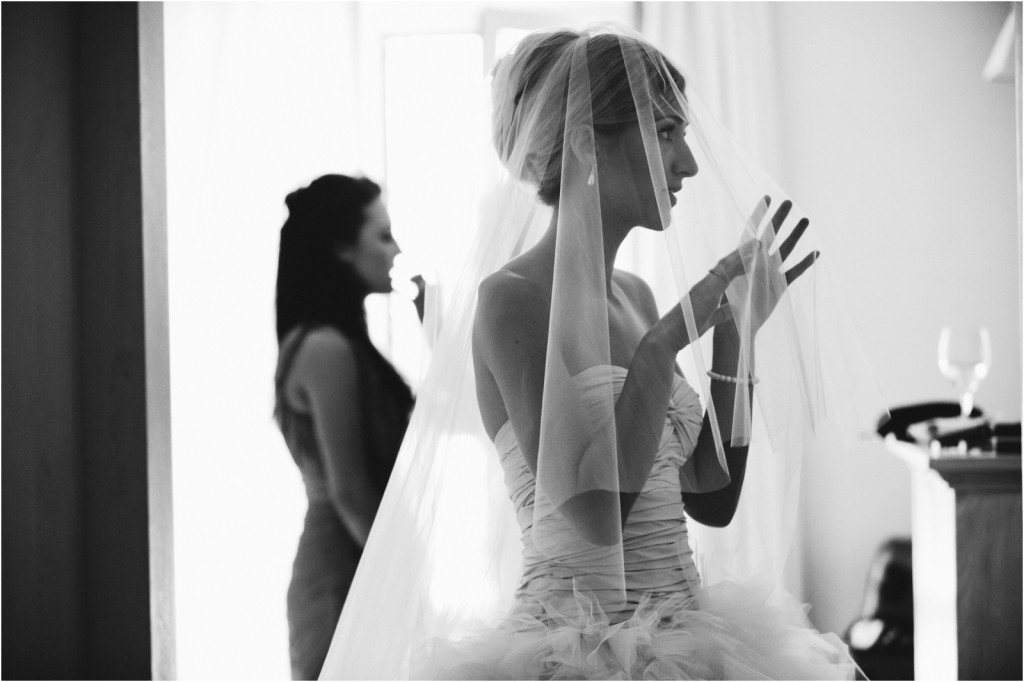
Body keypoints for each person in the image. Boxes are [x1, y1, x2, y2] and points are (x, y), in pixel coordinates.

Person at [320, 24, 883, 680]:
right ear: (589, 143)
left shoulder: (637, 296)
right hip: (573, 654)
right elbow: (596, 516)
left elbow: (710, 495)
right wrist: (666, 339)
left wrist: (735, 332)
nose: (689, 164)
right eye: (666, 132)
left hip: (691, 639)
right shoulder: (511, 300)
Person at [273, 174, 422, 680]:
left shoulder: (343, 345)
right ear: (341, 248)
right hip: (345, 573)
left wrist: (434, 326)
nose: (396, 248)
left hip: (363, 562)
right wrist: (402, 579)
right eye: (382, 235)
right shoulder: (324, 349)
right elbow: (350, 490)